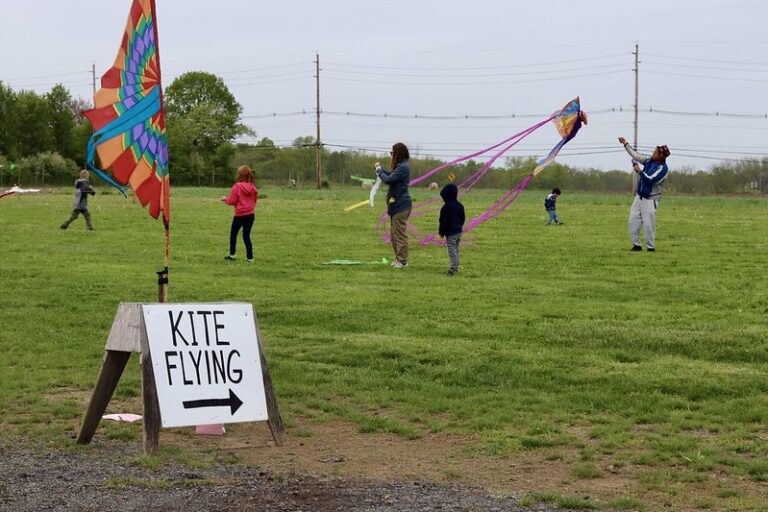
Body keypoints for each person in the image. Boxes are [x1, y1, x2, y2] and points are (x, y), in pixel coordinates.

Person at [618, 137, 670, 252]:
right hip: (640, 196)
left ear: (661, 156)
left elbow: (650, 180)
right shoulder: (648, 161)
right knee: (633, 220)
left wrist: (639, 171)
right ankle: (636, 246)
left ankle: (650, 248)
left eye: (655, 152)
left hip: (651, 199)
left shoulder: (663, 169)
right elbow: (635, 155)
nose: (653, 153)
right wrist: (625, 144)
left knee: (649, 224)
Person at [375, 142, 412, 268]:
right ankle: (398, 259)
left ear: (398, 154)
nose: (391, 155)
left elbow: (388, 179)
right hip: (396, 205)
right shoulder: (400, 167)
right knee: (394, 234)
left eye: (392, 153)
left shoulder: (403, 167)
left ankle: (403, 261)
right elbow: (390, 175)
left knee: (399, 234)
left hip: (401, 205)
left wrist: (380, 171)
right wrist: (380, 171)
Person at [221, 165, 258, 262]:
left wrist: (225, 199)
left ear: (239, 175)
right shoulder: (252, 186)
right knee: (246, 236)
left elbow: (232, 201)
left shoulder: (237, 186)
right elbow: (254, 200)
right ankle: (250, 257)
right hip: (250, 215)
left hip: (239, 215)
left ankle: (232, 255)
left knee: (233, 234)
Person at [438, 183, 465, 276]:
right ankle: (456, 266)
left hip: (451, 233)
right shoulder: (460, 206)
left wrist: (442, 232)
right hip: (458, 232)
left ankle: (453, 269)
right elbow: (462, 218)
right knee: (456, 249)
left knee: (452, 250)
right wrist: (459, 227)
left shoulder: (445, 208)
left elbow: (443, 222)